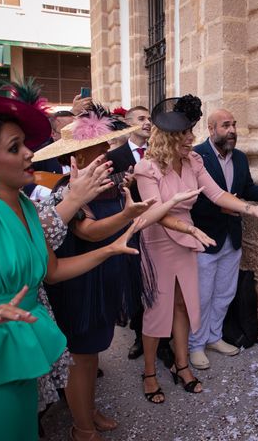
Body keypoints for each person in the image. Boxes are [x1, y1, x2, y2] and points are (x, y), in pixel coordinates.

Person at [0, 94, 142, 440]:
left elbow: (54, 270)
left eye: (25, 145)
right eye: (15, 148)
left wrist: (111, 250)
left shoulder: (28, 210)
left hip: (23, 350)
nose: (30, 153)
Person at [34, 106, 197, 440]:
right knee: (81, 352)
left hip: (102, 271)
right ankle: (82, 428)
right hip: (81, 281)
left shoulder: (104, 182)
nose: (107, 152)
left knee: (93, 349)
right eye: (99, 148)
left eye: (107, 147)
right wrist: (128, 215)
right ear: (78, 154)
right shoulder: (68, 186)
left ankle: (88, 411)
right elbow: (89, 232)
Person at [135, 95, 258, 402]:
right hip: (161, 240)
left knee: (183, 305)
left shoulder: (194, 162)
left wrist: (250, 209)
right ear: (170, 138)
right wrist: (189, 228)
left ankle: (182, 364)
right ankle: (149, 372)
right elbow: (157, 213)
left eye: (192, 133)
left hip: (191, 239)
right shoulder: (146, 169)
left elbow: (217, 195)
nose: (192, 139)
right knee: (157, 309)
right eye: (185, 135)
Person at [188, 108, 258, 370]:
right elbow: (194, 200)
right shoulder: (197, 156)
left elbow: (244, 191)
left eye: (234, 124)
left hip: (232, 238)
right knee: (202, 296)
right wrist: (230, 207)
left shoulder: (240, 158)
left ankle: (214, 337)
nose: (232, 130)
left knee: (224, 293)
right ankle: (195, 345)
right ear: (211, 129)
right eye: (225, 125)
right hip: (205, 238)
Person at [107, 105, 174, 364]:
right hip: (132, 228)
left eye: (149, 119)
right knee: (137, 282)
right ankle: (139, 336)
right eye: (141, 119)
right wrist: (123, 183)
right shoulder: (118, 155)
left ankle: (165, 340)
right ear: (128, 124)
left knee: (161, 283)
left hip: (162, 226)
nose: (147, 123)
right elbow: (108, 188)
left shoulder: (161, 155)